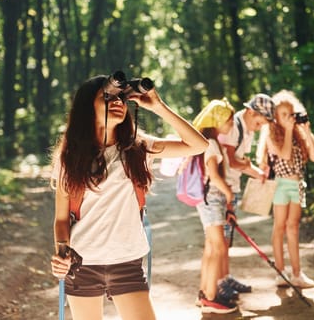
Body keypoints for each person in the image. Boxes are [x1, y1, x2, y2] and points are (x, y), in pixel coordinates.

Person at [49, 73, 208, 320]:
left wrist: (158, 106)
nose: (118, 102)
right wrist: (61, 252)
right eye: (108, 96)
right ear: (87, 107)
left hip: (127, 262)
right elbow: (61, 219)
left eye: (122, 98)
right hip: (82, 263)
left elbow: (199, 145)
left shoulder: (139, 148)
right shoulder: (69, 158)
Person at [257, 89, 314, 289]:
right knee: (279, 227)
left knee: (293, 228)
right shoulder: (272, 135)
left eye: (291, 114)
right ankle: (281, 273)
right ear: (276, 117)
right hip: (281, 185)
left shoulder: (297, 134)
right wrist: (288, 130)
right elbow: (285, 155)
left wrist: (305, 132)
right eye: (284, 115)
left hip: (297, 185)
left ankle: (297, 273)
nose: (289, 118)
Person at [217, 93, 275, 294]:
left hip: (231, 187)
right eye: (259, 123)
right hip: (222, 189)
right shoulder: (234, 124)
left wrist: (258, 174)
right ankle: (219, 285)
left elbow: (240, 162)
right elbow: (232, 161)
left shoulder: (246, 129)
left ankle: (225, 278)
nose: (259, 128)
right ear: (251, 112)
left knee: (226, 239)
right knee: (220, 240)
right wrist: (249, 165)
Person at [191, 98, 239, 314]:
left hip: (207, 200)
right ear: (218, 121)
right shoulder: (211, 143)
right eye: (229, 120)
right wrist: (229, 193)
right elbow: (213, 176)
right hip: (212, 199)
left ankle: (205, 293)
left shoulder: (206, 141)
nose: (231, 125)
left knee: (211, 247)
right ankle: (211, 297)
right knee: (218, 247)